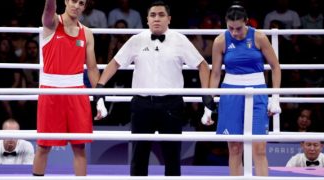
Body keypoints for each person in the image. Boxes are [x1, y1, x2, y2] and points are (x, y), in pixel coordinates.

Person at [94, 1, 212, 176]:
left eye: (161, 15)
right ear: (147, 19)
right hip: (142, 104)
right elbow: (114, 64)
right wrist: (100, 87)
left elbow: (202, 65)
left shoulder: (180, 40)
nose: (157, 19)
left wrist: (206, 96)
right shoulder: (137, 39)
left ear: (169, 19)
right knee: (138, 156)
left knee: (172, 157)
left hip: (171, 105)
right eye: (153, 15)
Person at [32, 0, 104, 176]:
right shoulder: (52, 23)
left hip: (77, 92)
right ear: (65, 1)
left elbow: (93, 68)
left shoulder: (87, 33)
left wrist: (100, 97)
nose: (76, 6)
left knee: (79, 147)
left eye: (81, 3)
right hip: (51, 92)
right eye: (73, 0)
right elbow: (49, 9)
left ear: (84, 7)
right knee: (43, 146)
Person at [208, 5, 282, 176]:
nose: (234, 32)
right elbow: (216, 73)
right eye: (230, 28)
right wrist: (208, 104)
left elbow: (275, 67)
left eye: (238, 28)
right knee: (234, 148)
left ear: (246, 22)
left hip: (257, 92)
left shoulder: (259, 37)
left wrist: (275, 97)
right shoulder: (220, 41)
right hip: (231, 93)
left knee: (259, 148)